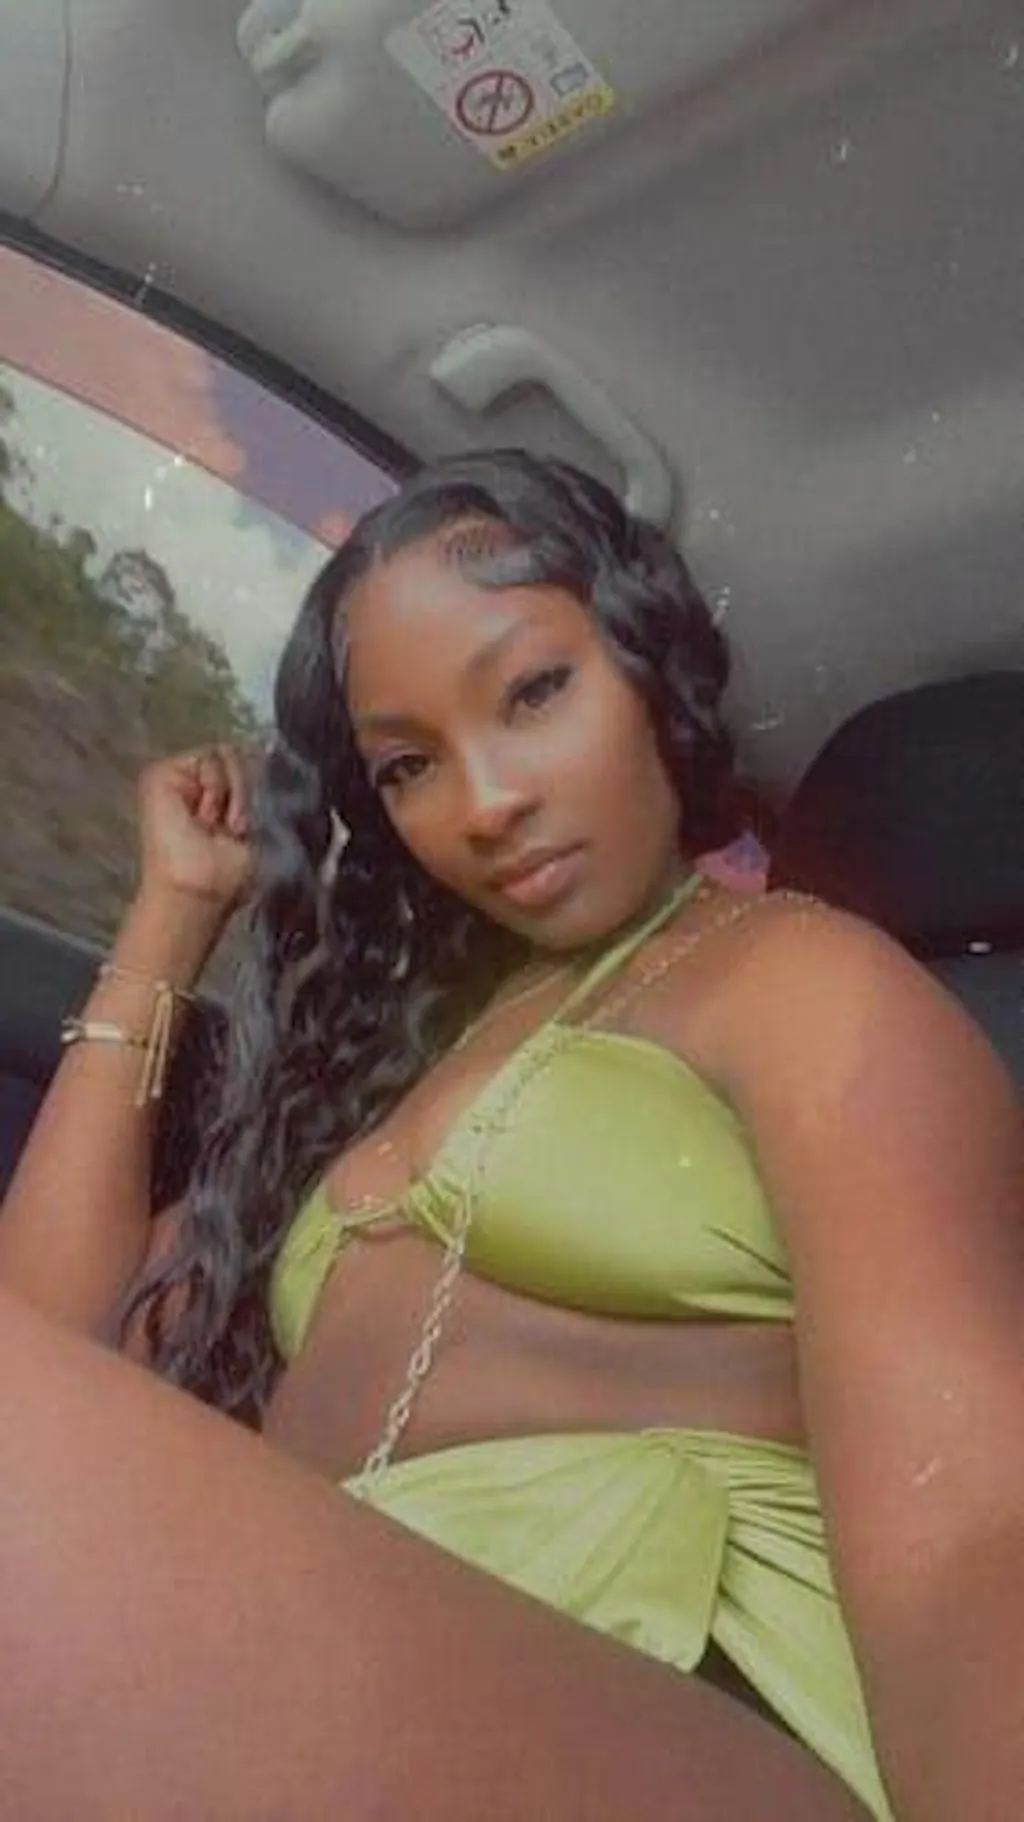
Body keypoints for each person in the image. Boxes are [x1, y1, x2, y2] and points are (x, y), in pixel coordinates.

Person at [0, 451, 1020, 1821]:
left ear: (649, 663)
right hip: (327, 1697)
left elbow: (971, 1528)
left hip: (687, 1701)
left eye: (535, 691)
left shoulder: (804, 980)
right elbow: (58, 1341)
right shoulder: (409, 1058)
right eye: (410, 764)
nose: (484, 803)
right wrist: (174, 910)